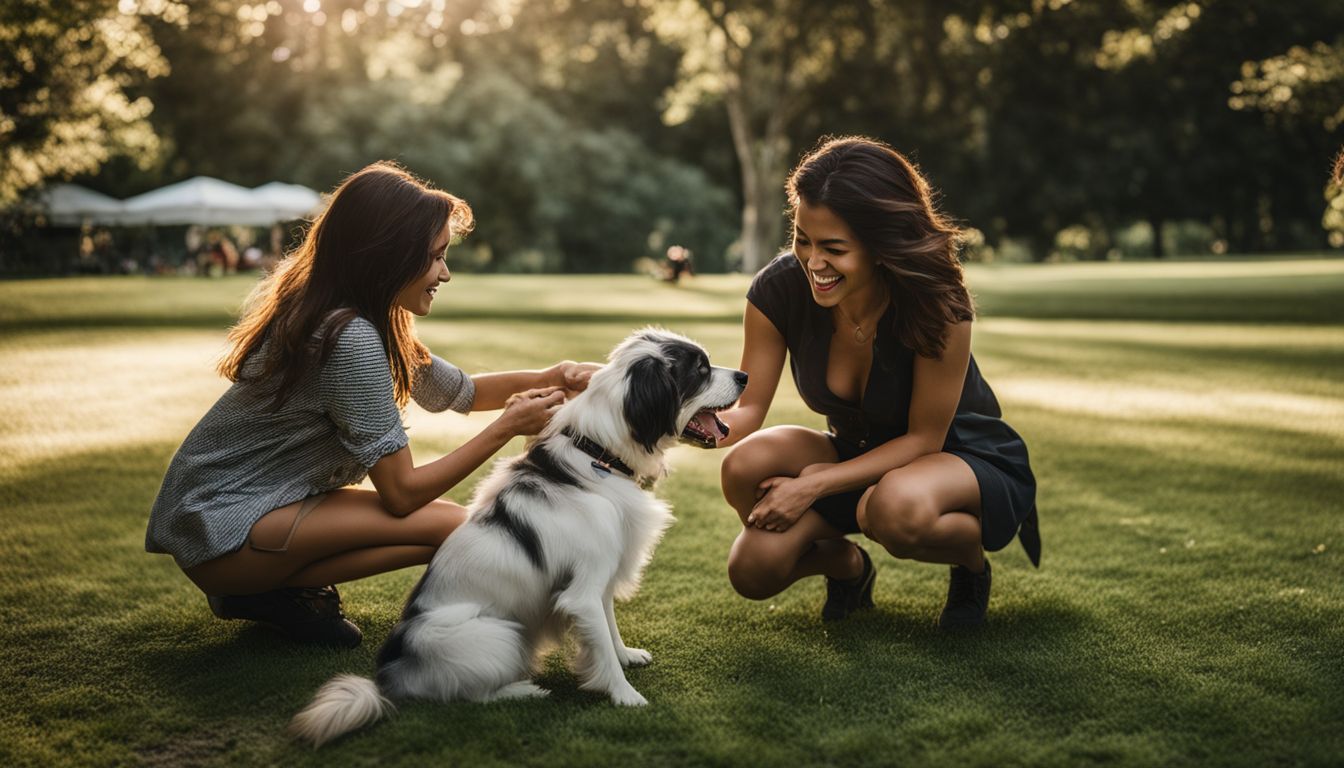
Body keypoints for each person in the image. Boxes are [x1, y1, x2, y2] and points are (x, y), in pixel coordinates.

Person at [146, 162, 598, 647]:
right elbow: (401, 493)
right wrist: (507, 428)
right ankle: (269, 589)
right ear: (388, 254)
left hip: (232, 519)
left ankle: (270, 594)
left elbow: (462, 392)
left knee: (452, 528)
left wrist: (555, 375)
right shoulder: (349, 338)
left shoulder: (358, 316)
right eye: (435, 257)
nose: (445, 273)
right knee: (457, 528)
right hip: (225, 527)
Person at [717, 136, 1039, 629]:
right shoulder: (779, 288)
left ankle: (970, 565)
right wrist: (670, 416)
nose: (813, 263)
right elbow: (748, 410)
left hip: (957, 455)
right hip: (857, 454)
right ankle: (847, 567)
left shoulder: (939, 301)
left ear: (882, 246)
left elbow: (923, 439)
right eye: (802, 239)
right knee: (752, 563)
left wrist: (813, 485)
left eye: (834, 249)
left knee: (890, 508)